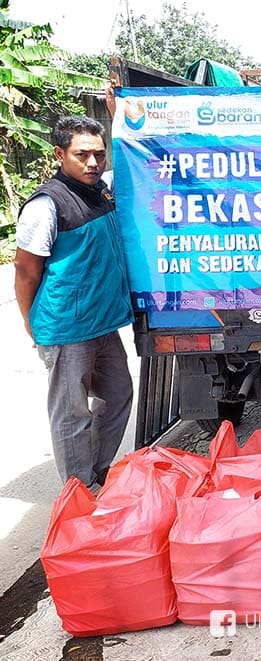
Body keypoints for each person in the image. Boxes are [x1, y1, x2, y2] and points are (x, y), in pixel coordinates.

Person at [14, 116, 134, 490]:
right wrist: (30, 321)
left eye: (99, 154)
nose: (93, 163)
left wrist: (122, 115)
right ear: (59, 154)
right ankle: (79, 492)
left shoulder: (102, 190)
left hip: (101, 323)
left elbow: (134, 158)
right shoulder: (46, 205)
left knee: (118, 394)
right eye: (82, 155)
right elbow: (25, 271)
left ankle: (93, 474)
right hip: (67, 326)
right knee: (71, 413)